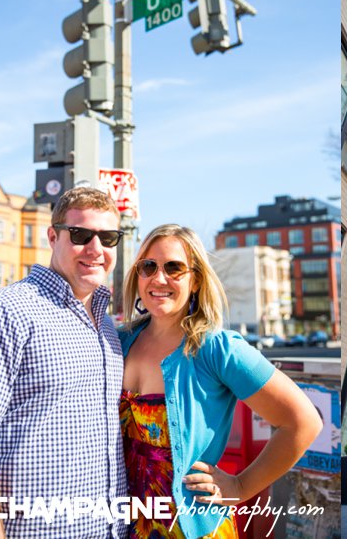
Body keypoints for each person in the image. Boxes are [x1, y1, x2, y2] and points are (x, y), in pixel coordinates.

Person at [0, 187, 129, 538]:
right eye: (81, 234)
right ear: (53, 236)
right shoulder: (5, 311)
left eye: (108, 237)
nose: (96, 249)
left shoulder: (107, 327)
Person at [120, 224, 323, 538]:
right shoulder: (119, 341)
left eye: (173, 268)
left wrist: (240, 487)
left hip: (191, 529)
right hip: (124, 523)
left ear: (196, 279)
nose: (159, 279)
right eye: (148, 267)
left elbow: (303, 421)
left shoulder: (217, 349)